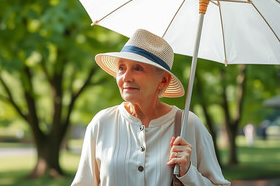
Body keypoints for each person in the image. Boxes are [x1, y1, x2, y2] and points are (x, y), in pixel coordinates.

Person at [71, 29, 230, 186]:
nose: (126, 77)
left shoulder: (188, 125)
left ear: (163, 81)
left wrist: (188, 172)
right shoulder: (102, 123)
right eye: (121, 68)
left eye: (138, 68)